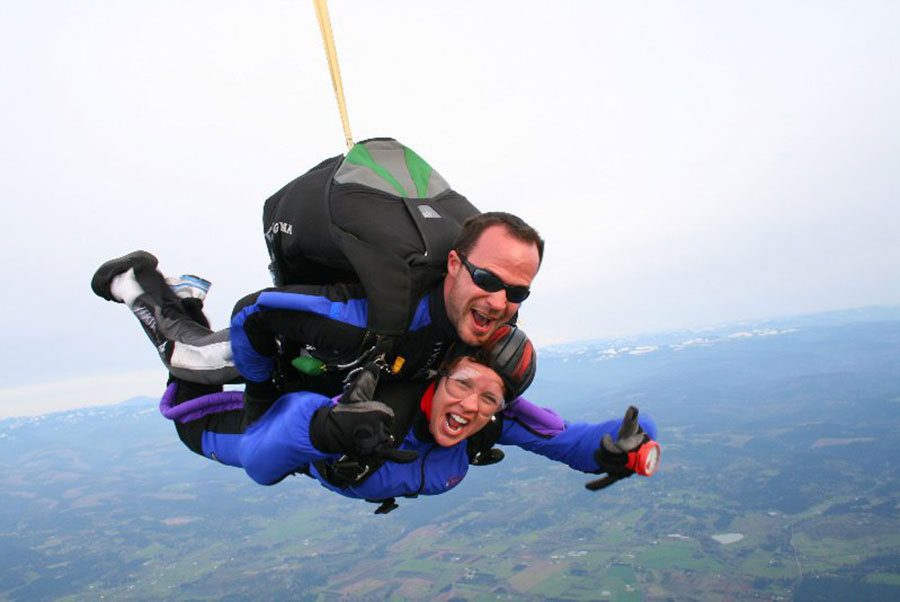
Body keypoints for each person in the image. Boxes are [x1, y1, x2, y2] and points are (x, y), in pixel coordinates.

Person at [92, 212, 543, 423]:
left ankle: (187, 297)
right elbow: (257, 309)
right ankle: (134, 281)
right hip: (276, 345)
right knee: (186, 359)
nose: (501, 301)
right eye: (487, 278)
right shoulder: (363, 316)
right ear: (452, 265)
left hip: (321, 363)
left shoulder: (477, 326)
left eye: (517, 291)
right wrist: (260, 387)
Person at [159, 324, 658, 513]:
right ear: (437, 376)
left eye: (491, 398)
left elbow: (568, 440)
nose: (471, 407)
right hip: (288, 434)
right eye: (463, 384)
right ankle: (158, 296)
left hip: (328, 455)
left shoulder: (490, 421)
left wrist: (626, 445)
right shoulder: (375, 407)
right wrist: (327, 431)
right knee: (188, 416)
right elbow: (263, 458)